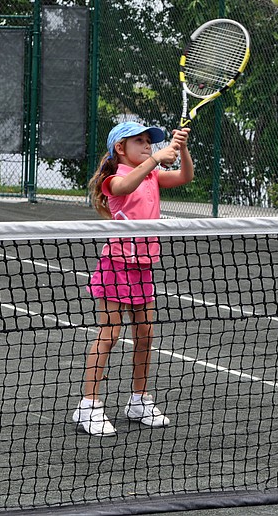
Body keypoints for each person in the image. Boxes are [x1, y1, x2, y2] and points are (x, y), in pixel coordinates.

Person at [72, 121, 193, 436]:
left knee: (145, 334)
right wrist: (156, 159)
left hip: (144, 266)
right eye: (139, 141)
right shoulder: (113, 180)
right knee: (109, 335)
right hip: (116, 265)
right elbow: (125, 188)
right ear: (120, 148)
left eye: (149, 141)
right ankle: (89, 405)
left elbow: (185, 176)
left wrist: (182, 149)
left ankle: (139, 400)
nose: (147, 145)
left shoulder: (152, 175)